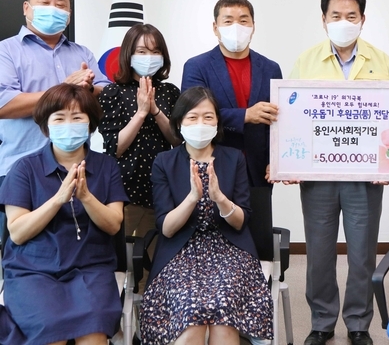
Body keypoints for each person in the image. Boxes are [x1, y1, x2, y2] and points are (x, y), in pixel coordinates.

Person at [289, 0, 389, 345]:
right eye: (336, 15)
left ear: (362, 19)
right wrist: (290, 161)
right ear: (324, 19)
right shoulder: (306, 61)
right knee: (319, 253)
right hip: (318, 176)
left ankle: (358, 323)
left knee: (362, 253)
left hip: (365, 177)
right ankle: (321, 321)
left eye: (351, 16)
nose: (343, 22)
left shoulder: (381, 61)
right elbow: (293, 117)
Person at [140, 86, 273, 345]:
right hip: (180, 252)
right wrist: (192, 198)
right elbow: (166, 228)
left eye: (208, 117)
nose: (200, 123)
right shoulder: (164, 162)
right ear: (179, 123)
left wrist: (220, 198)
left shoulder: (233, 158)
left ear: (217, 123)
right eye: (192, 117)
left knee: (223, 317)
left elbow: (241, 221)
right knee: (191, 316)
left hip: (230, 251)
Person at [0, 83, 126, 344]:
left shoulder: (107, 166)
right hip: (33, 271)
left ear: (90, 124)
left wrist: (86, 197)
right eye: (59, 118)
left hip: (91, 269)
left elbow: (114, 225)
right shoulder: (24, 169)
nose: (69, 124)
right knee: (50, 329)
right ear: (46, 125)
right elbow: (18, 233)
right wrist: (58, 199)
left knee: (94, 330)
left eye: (77, 117)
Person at [0, 0, 109, 183]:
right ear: (26, 8)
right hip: (21, 168)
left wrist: (88, 89)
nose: (53, 9)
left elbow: (108, 94)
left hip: (81, 168)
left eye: (60, 5)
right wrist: (64, 90)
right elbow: (3, 104)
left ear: (68, 16)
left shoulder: (82, 53)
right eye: (45, 3)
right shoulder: (5, 51)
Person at [98, 24, 180, 289]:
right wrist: (141, 112)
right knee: (120, 260)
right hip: (124, 188)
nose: (149, 57)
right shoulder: (112, 92)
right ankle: (120, 312)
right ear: (128, 54)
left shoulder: (169, 92)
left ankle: (150, 310)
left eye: (155, 52)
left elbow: (176, 139)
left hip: (162, 187)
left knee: (156, 262)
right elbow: (114, 147)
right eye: (142, 51)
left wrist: (155, 110)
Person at [182, 0, 282, 189]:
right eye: (228, 21)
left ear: (253, 26)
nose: (236, 27)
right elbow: (192, 115)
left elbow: (277, 121)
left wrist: (277, 159)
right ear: (215, 27)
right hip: (211, 166)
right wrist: (245, 115)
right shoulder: (196, 67)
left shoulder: (271, 68)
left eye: (243, 21)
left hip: (258, 171)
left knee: (258, 211)